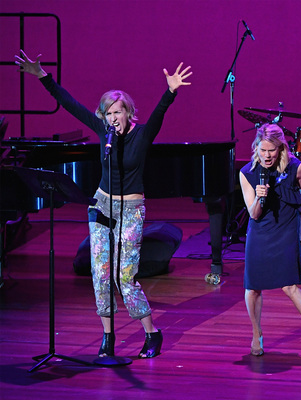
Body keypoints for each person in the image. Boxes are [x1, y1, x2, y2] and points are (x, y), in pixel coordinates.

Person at [15, 50, 192, 359]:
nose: (113, 119)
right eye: (108, 114)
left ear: (128, 113)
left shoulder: (142, 134)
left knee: (124, 276)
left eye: (117, 112)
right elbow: (71, 105)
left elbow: (161, 113)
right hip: (101, 206)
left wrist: (170, 92)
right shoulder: (103, 133)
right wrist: (44, 77)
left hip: (131, 210)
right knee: (100, 274)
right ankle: (107, 336)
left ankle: (152, 332)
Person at [239, 124, 301, 359]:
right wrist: (260, 198)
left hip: (285, 229)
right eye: (263, 150)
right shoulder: (247, 173)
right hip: (260, 231)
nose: (267, 155)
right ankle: (256, 334)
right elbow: (254, 214)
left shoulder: (295, 168)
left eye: (272, 151)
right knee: (252, 287)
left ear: (280, 149)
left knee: (289, 286)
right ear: (256, 148)